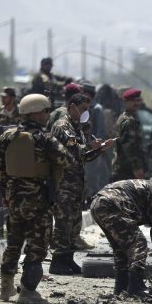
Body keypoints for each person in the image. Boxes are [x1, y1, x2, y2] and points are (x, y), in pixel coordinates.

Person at [0, 93, 76, 304]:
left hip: (14, 197)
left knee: (13, 243)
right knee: (37, 245)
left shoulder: (8, 136)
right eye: (46, 111)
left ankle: (5, 289)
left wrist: (6, 193)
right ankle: (28, 291)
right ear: (37, 112)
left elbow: (0, 168)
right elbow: (67, 160)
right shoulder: (44, 138)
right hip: (38, 199)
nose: (47, 115)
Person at [89, 180, 152, 296]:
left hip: (97, 203)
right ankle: (136, 286)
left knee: (120, 247)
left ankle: (121, 287)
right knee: (138, 243)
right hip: (113, 204)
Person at [49, 93, 115, 275]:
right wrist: (90, 147)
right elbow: (74, 149)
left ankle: (68, 259)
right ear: (72, 106)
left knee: (74, 224)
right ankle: (58, 261)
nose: (85, 113)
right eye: (83, 109)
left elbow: (83, 156)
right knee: (63, 223)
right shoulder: (63, 126)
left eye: (87, 109)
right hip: (64, 184)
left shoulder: (76, 128)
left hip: (75, 184)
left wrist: (100, 149)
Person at [111, 88, 145, 181]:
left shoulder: (127, 117)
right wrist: (136, 168)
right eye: (133, 101)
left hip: (124, 167)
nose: (137, 104)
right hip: (126, 169)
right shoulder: (128, 121)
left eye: (138, 101)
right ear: (125, 102)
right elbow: (129, 147)